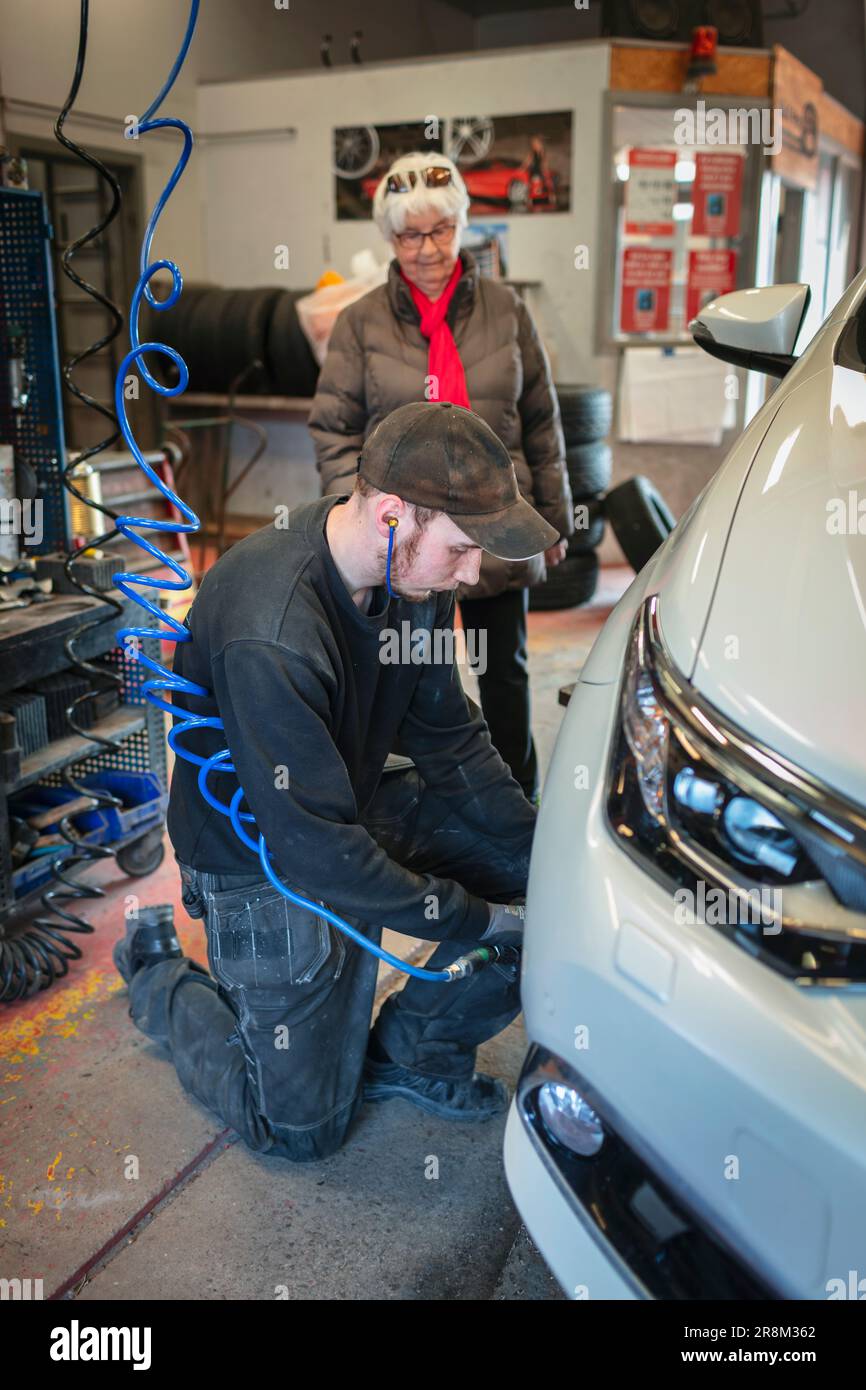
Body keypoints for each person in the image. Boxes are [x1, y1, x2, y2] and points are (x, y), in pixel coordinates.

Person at [113, 401, 560, 1163]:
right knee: (300, 1134)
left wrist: (547, 858)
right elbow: (315, 853)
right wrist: (478, 921)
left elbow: (449, 739)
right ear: (391, 515)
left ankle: (415, 1049)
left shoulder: (412, 571)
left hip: (346, 799)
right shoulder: (275, 627)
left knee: (556, 889)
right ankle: (157, 973)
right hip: (258, 849)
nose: (474, 570)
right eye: (462, 548)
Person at [308, 152, 572, 804]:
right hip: (404, 537)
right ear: (388, 238)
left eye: (441, 230)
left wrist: (556, 518)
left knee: (504, 676)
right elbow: (333, 429)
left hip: (492, 523)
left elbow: (541, 421)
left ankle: (516, 809)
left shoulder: (508, 312)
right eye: (409, 235)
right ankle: (405, 812)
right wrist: (365, 518)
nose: (427, 249)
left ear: (461, 224)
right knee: (400, 676)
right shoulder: (359, 323)